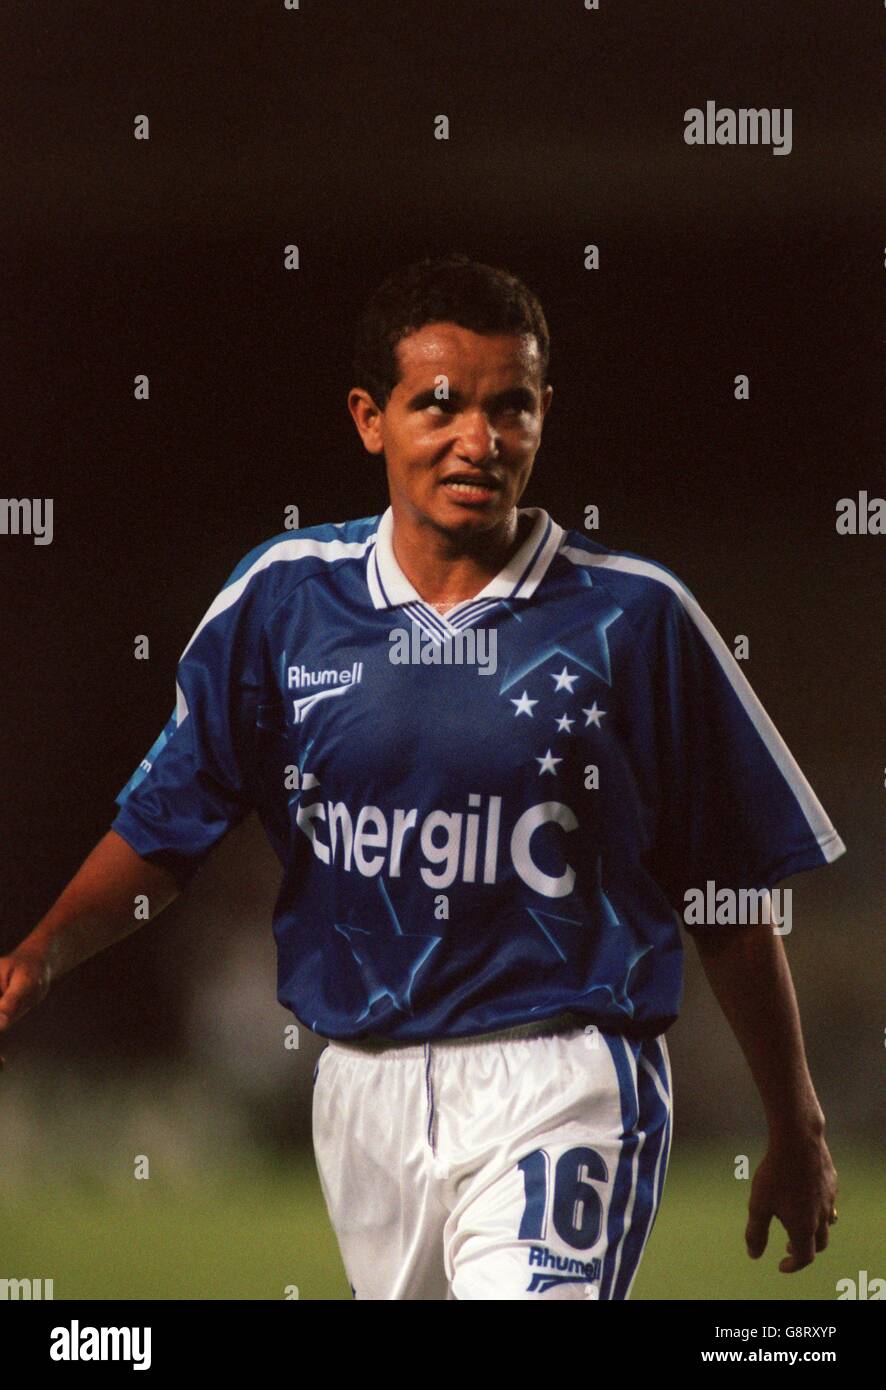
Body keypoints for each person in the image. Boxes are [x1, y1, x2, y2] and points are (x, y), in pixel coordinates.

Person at [0, 253, 844, 1301]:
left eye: (511, 407)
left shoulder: (635, 619)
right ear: (370, 417)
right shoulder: (282, 601)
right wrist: (45, 948)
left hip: (565, 1074)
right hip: (363, 1088)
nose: (478, 440)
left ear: (543, 416)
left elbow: (722, 889)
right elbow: (169, 827)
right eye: (439, 404)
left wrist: (794, 1119)